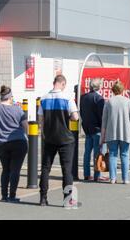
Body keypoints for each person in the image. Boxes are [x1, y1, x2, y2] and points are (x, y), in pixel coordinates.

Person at [38, 75, 79, 207]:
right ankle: (67, 200)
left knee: (45, 169)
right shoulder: (67, 98)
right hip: (65, 139)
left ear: (53, 82)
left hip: (49, 138)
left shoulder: (43, 98)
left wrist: (43, 133)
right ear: (63, 84)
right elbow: (75, 117)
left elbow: (40, 119)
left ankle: (43, 199)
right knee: (66, 170)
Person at [101, 81, 130, 184]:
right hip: (125, 133)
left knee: (112, 154)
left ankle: (113, 178)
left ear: (113, 90)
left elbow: (104, 120)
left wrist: (102, 137)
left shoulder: (109, 102)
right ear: (122, 90)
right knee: (125, 154)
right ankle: (125, 179)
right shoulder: (127, 101)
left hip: (111, 133)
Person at [0, 86, 28, 202]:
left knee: (5, 169)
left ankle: (4, 196)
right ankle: (12, 196)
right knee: (15, 170)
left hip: (1, 143)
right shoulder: (18, 109)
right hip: (19, 142)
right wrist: (26, 135)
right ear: (10, 97)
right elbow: (25, 125)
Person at [80, 78, 108, 182]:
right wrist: (104, 130)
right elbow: (102, 116)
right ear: (99, 86)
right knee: (98, 153)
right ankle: (97, 175)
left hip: (87, 128)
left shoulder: (83, 97)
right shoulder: (99, 98)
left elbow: (82, 112)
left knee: (87, 153)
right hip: (97, 129)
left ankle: (86, 174)